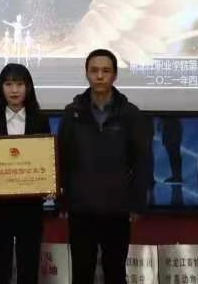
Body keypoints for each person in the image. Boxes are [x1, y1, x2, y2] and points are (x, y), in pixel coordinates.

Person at [58, 49, 153, 284]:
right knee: (82, 273)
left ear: (115, 75)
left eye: (106, 71)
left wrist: (136, 202)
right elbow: (62, 159)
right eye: (94, 70)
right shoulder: (72, 113)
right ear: (86, 74)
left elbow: (142, 160)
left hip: (117, 208)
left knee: (115, 272)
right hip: (81, 208)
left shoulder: (130, 114)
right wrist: (63, 200)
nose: (99, 76)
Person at [0, 63, 50, 284]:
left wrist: (49, 183)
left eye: (19, 84)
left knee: (29, 266)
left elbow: (45, 160)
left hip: (31, 207)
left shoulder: (40, 121)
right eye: (8, 84)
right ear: (1, 88)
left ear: (28, 88)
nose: (14, 90)